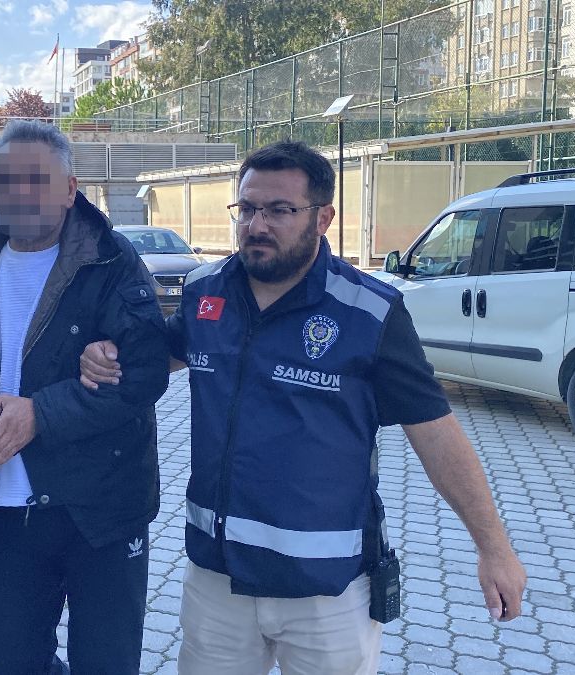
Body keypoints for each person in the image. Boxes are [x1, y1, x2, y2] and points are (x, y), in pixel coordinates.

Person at [79, 140, 527, 675]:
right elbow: (164, 354)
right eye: (247, 209)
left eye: (280, 210)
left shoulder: (369, 312)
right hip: (218, 580)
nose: (257, 225)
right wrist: (107, 354)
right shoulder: (205, 292)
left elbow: (436, 434)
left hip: (327, 593)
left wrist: (494, 549)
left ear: (323, 218)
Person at [0, 120, 169, 675]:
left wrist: (39, 414)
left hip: (102, 510)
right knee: (13, 660)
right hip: (0, 511)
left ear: (70, 189)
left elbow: (145, 370)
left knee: (107, 664)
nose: (19, 192)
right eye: (7, 179)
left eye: (36, 179)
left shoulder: (111, 261)